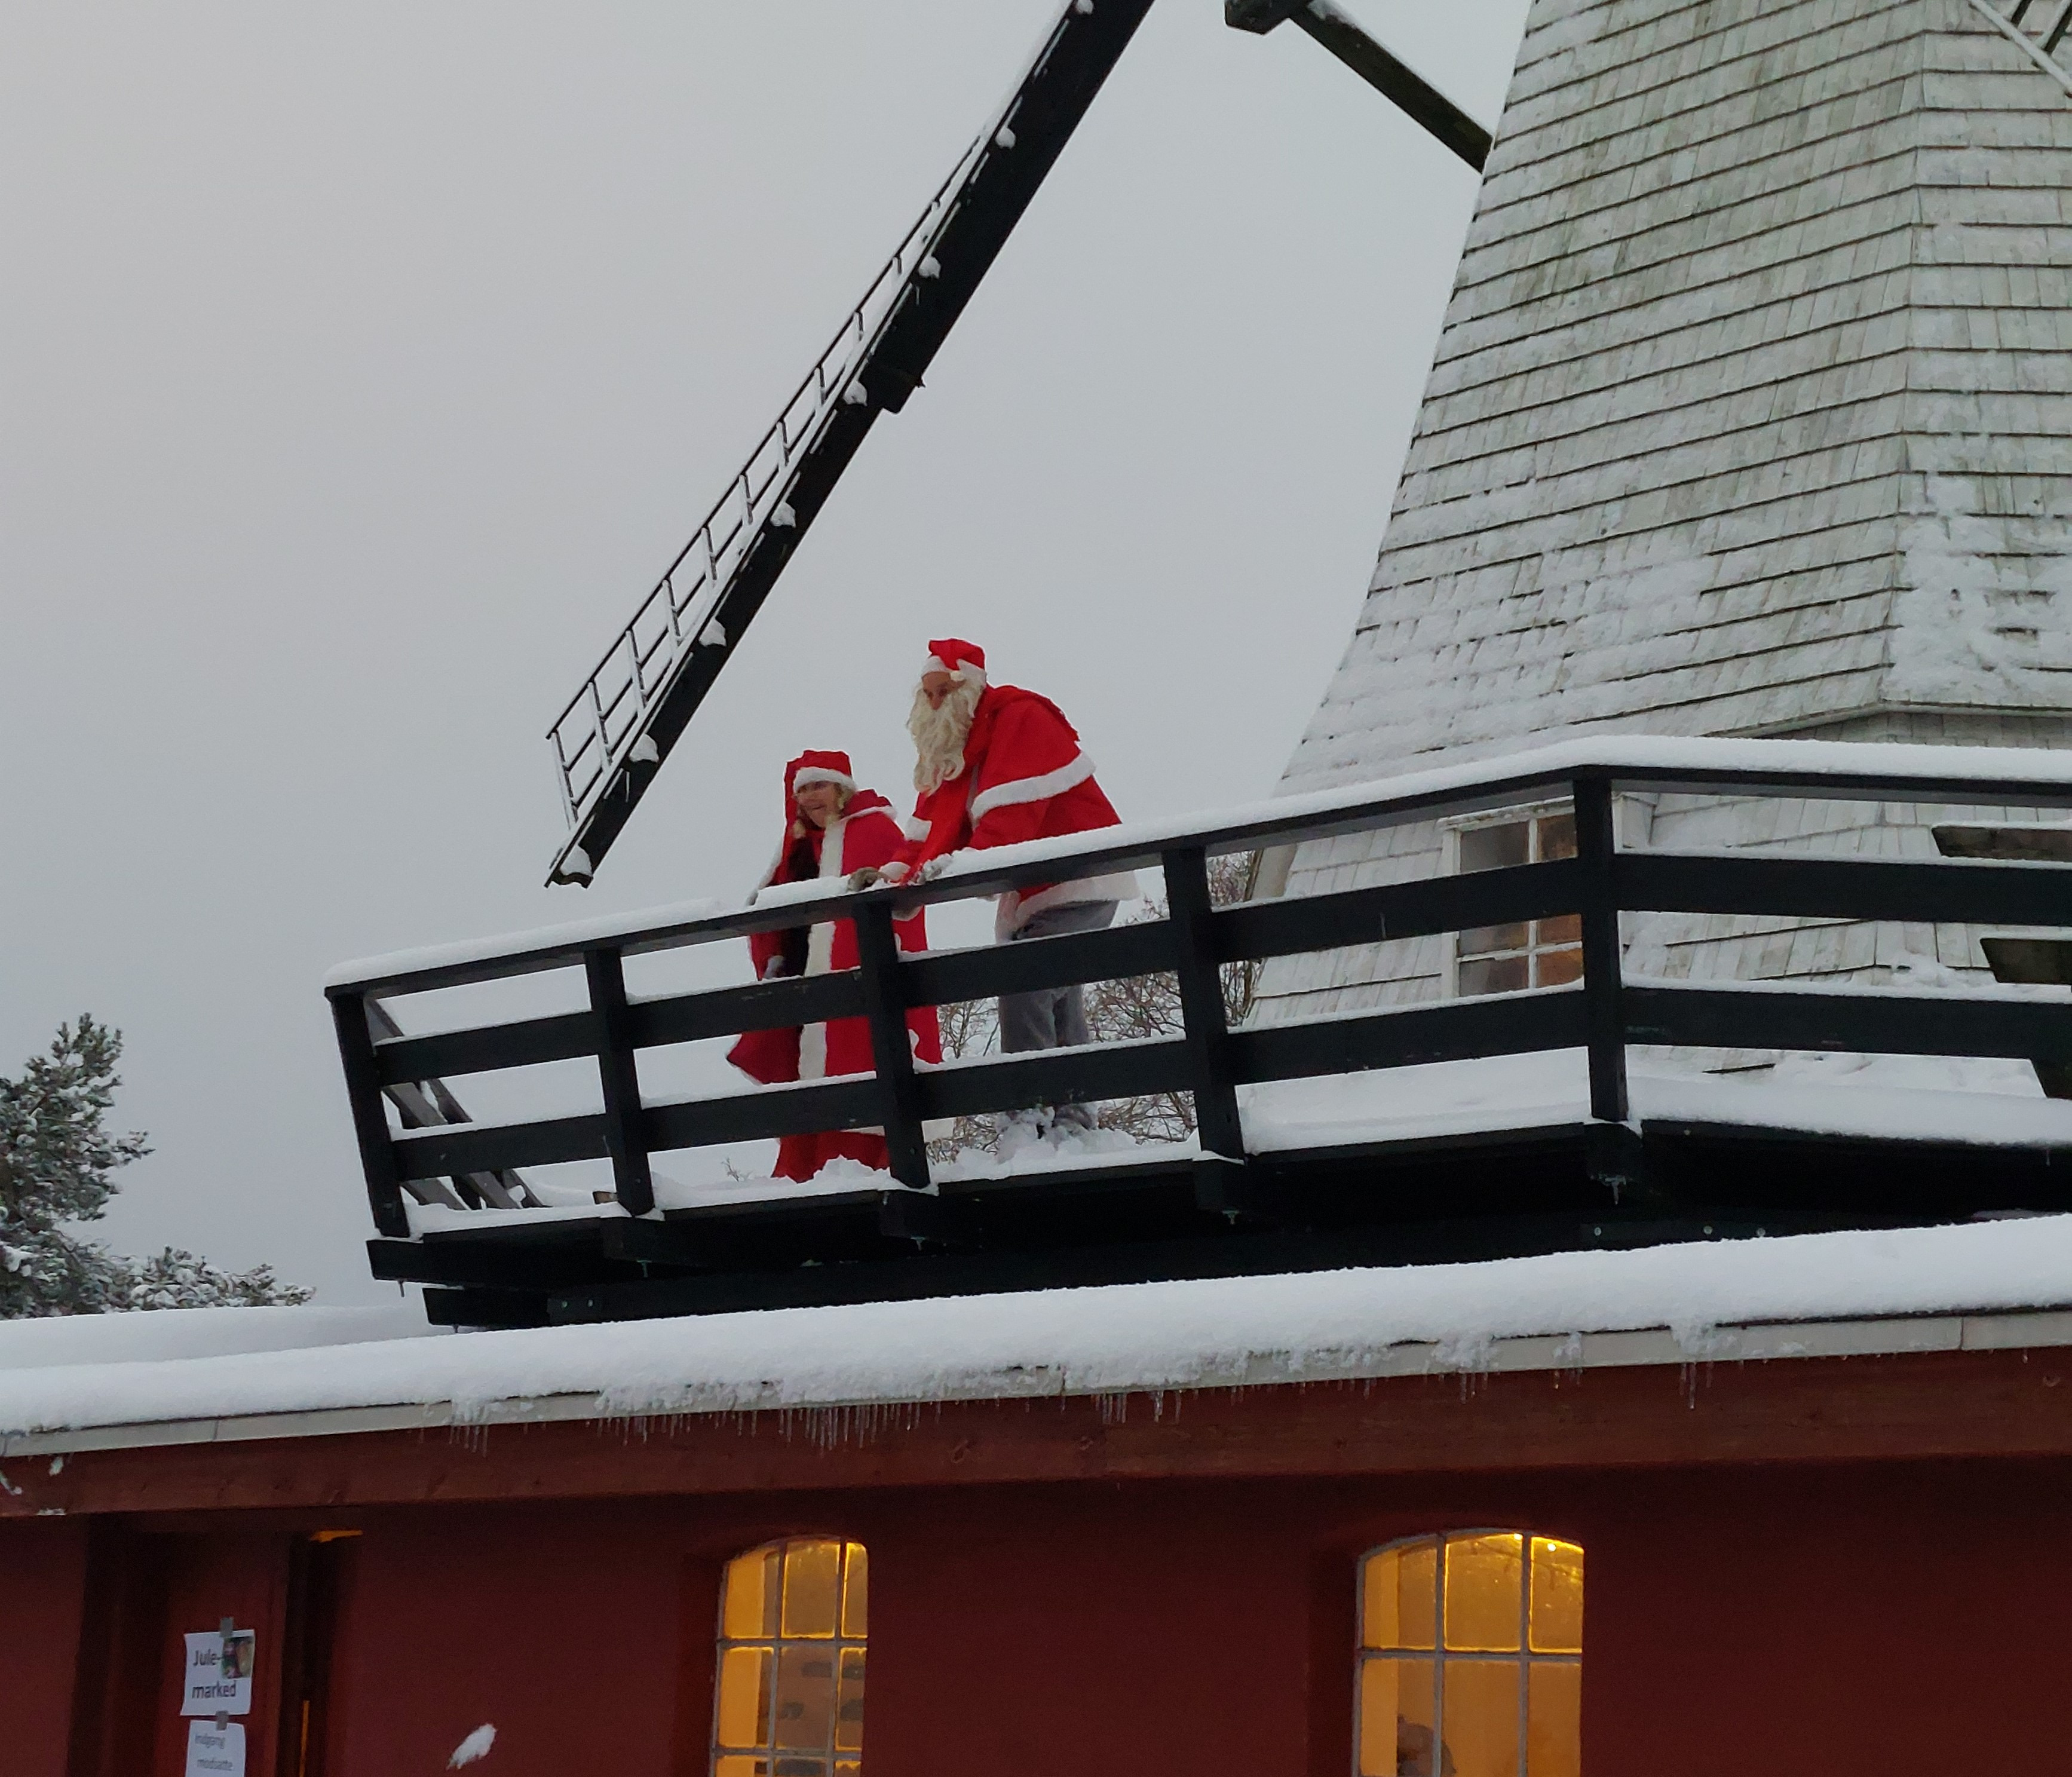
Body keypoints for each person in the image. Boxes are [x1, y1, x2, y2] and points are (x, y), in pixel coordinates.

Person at [859, 639, 1136, 1134]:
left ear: (969, 688)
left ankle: (1029, 1113)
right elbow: (927, 831)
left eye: (944, 691)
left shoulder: (1019, 718)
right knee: (1054, 993)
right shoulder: (958, 747)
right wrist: (891, 876)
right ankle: (1073, 1119)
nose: (936, 703)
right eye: (929, 694)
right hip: (1036, 886)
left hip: (1079, 874)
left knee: (1023, 978)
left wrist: (967, 864)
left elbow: (1012, 815)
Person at [727, 750, 940, 1181]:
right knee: (807, 1085)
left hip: (858, 979)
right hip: (806, 983)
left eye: (818, 786)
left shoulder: (874, 829)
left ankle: (858, 1172)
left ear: (841, 789)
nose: (809, 797)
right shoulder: (800, 848)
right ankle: (803, 1176)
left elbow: (900, 895)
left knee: (858, 1073)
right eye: (802, 790)